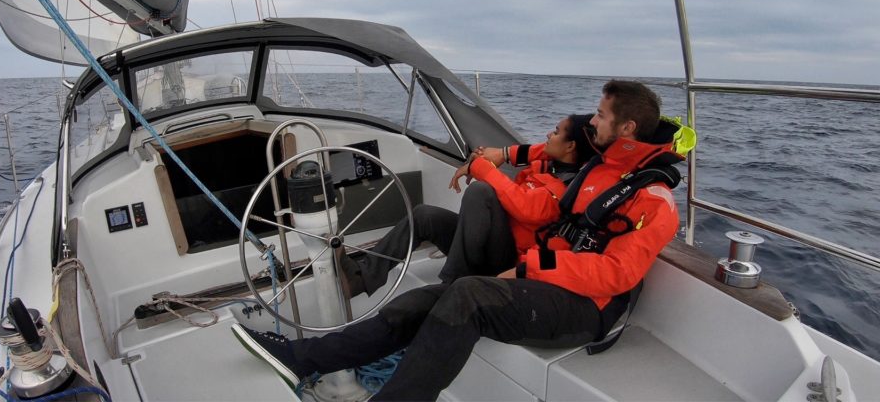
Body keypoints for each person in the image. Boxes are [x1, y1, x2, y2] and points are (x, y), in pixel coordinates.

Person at [233, 80, 693, 402]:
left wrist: (532, 268)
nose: (593, 121)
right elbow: (542, 151)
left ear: (627, 129)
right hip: (548, 282)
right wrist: (503, 155)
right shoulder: (603, 166)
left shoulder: (653, 199)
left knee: (467, 293)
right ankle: (301, 357)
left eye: (601, 114)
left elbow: (618, 274)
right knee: (426, 300)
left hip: (585, 310)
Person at [342, 113, 599, 296]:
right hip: (487, 244)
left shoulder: (567, 189)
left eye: (555, 131)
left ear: (570, 146)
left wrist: (481, 168)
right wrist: (493, 156)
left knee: (481, 191)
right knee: (424, 215)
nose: (548, 134)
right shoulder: (548, 161)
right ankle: (361, 279)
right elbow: (535, 150)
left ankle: (452, 285)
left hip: (507, 263)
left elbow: (526, 209)